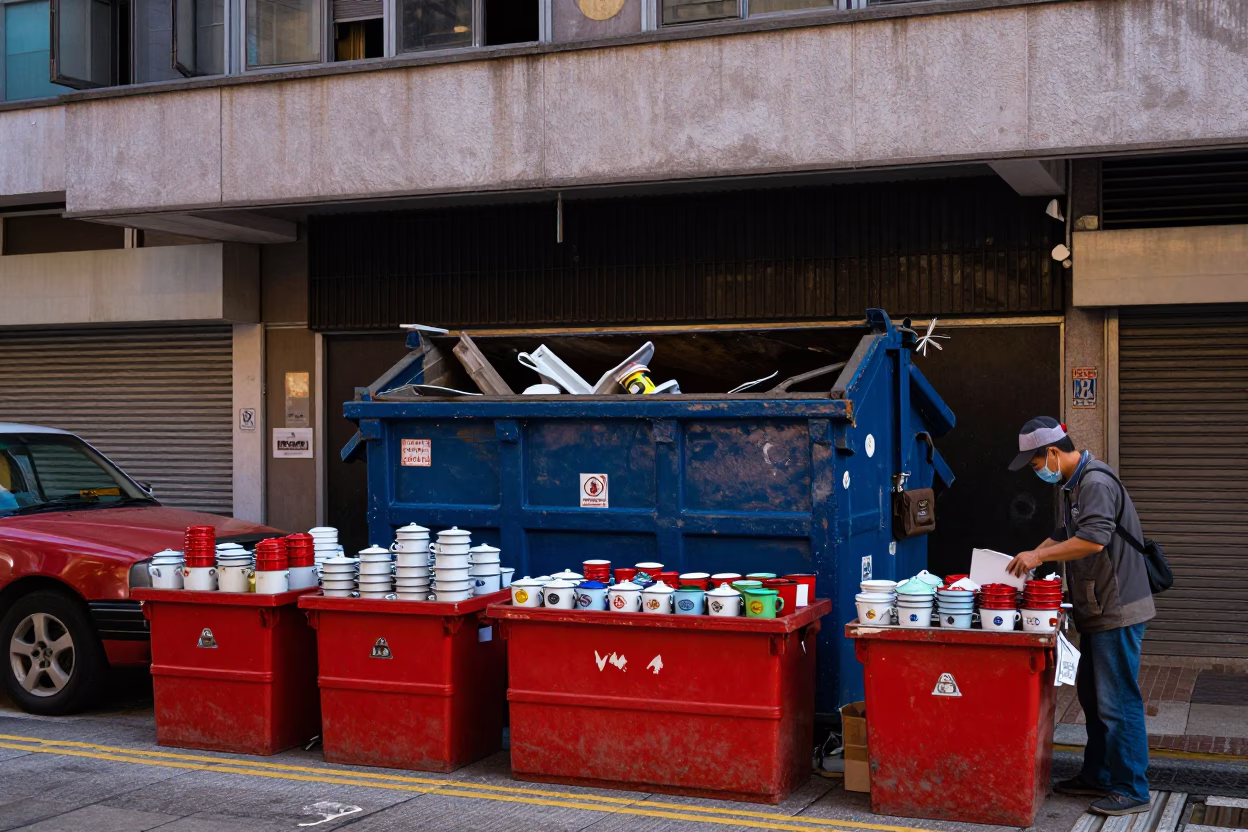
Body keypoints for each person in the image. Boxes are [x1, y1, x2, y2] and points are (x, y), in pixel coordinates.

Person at [1005, 417, 1154, 817]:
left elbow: (1093, 539)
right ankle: (1098, 775)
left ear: (1052, 452)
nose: (1038, 473)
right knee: (1093, 697)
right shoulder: (1073, 485)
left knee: (1118, 701)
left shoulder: (1096, 483)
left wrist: (1038, 557)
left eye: (1036, 465)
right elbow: (1063, 533)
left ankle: (1132, 788)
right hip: (1098, 605)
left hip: (1117, 607)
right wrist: (1027, 559)